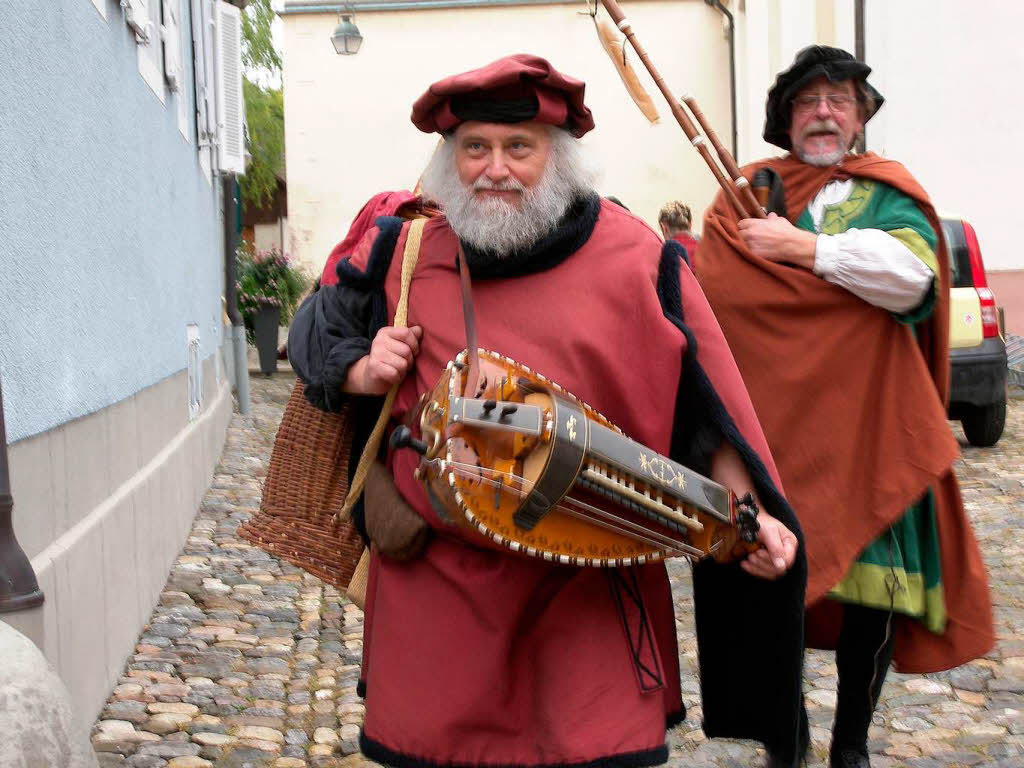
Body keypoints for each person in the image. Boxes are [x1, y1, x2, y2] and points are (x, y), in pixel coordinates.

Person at [289, 54, 807, 768]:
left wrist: (747, 518)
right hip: (436, 598)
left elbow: (703, 410)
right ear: (449, 159)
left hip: (587, 591)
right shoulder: (402, 249)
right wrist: (358, 367)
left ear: (557, 158)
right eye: (474, 148)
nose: (494, 168)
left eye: (518, 148)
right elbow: (311, 334)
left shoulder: (637, 259)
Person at [692, 46, 994, 768]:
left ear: (859, 119)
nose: (823, 113)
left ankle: (851, 742)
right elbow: (716, 299)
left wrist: (805, 250)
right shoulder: (746, 190)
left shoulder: (888, 191)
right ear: (786, 119)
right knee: (769, 585)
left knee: (875, 592)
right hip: (771, 428)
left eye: (839, 101)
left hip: (871, 425)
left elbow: (912, 280)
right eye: (807, 102)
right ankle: (785, 738)